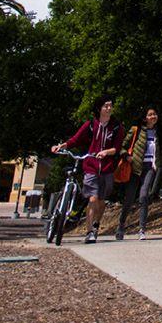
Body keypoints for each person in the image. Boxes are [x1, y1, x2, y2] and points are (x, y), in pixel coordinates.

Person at [52, 97, 124, 244]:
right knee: (92, 198)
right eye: (106, 106)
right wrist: (62, 146)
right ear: (99, 108)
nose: (109, 108)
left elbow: (117, 148)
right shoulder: (90, 125)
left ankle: (96, 224)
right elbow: (75, 140)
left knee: (102, 200)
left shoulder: (117, 127)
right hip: (91, 166)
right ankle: (89, 232)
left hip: (107, 168)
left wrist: (106, 152)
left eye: (110, 106)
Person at [116, 106, 162, 241]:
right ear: (144, 118)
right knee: (129, 199)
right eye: (150, 115)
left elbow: (161, 150)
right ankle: (121, 226)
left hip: (150, 168)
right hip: (134, 168)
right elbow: (122, 146)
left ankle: (142, 229)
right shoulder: (135, 130)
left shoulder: (158, 132)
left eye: (155, 114)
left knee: (144, 197)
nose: (153, 116)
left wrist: (158, 164)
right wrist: (126, 156)